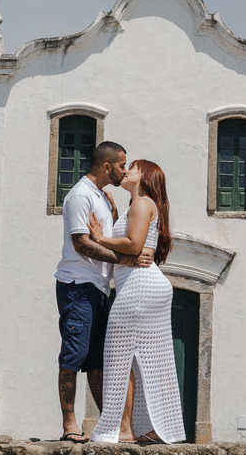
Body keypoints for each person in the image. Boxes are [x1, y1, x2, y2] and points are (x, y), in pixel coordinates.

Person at [54, 141, 153, 443]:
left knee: (98, 361)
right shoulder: (80, 196)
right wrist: (127, 260)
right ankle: (70, 424)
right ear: (107, 166)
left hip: (98, 288)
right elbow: (82, 243)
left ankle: (109, 425)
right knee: (74, 354)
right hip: (77, 286)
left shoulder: (102, 197)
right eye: (122, 165)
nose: (125, 171)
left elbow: (110, 239)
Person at [87, 160, 186, 445]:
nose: (126, 171)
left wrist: (99, 238)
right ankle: (151, 428)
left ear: (146, 176)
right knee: (148, 360)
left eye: (133, 167)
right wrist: (113, 209)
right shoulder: (138, 206)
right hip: (141, 285)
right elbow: (133, 239)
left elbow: (133, 244)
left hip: (140, 288)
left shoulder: (142, 204)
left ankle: (125, 428)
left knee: (120, 358)